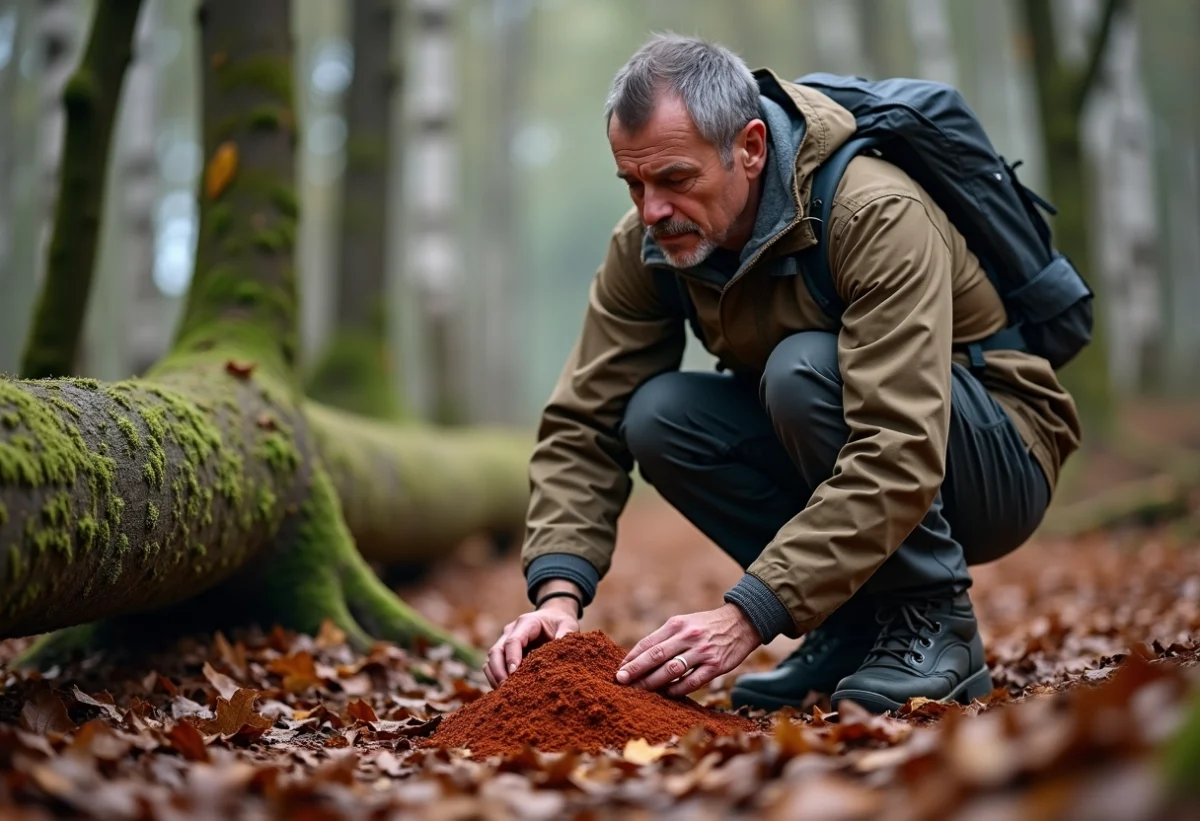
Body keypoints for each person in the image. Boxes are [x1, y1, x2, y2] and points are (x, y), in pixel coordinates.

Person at [484, 33, 1081, 714]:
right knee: (659, 414)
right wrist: (558, 596)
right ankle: (853, 623)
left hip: (997, 450)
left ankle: (934, 622)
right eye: (634, 182)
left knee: (802, 369)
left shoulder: (872, 211)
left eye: (675, 179)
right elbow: (585, 421)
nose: (652, 209)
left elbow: (899, 445)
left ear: (751, 147)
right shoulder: (650, 241)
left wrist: (750, 613)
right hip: (872, 439)